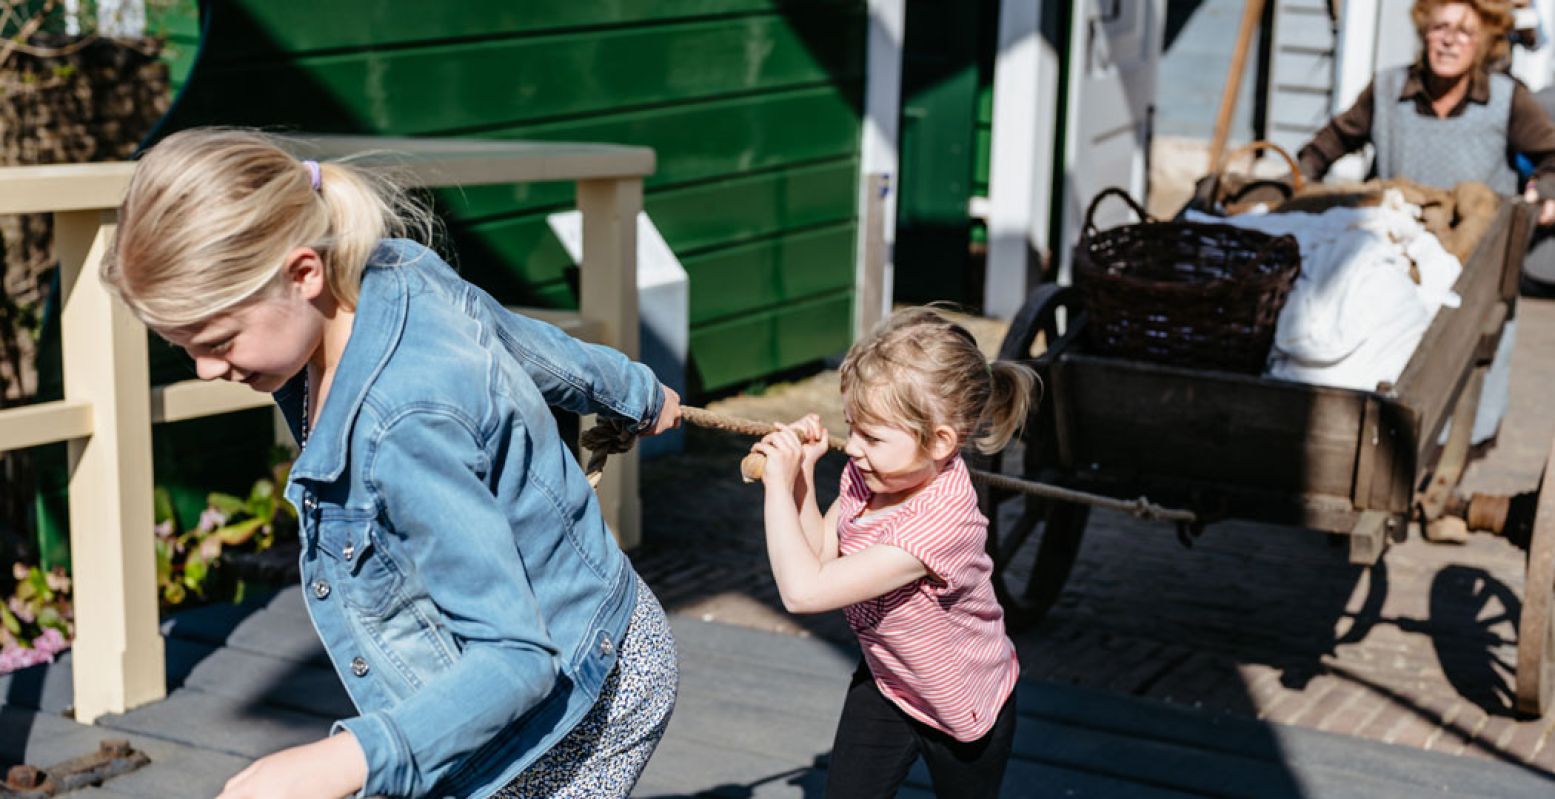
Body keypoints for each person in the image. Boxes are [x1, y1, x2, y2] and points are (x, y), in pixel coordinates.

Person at [101, 128, 681, 799]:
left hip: (582, 696)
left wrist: (346, 758)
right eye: (185, 350)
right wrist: (633, 391)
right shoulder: (391, 273)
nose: (206, 369)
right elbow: (524, 345)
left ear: (302, 273)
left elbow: (518, 656)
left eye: (218, 340)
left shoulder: (402, 425)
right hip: (593, 627)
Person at [750, 307, 1032, 798]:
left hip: (963, 704)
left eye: (873, 436)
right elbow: (820, 557)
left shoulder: (940, 525)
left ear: (941, 442)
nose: (854, 448)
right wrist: (799, 481)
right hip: (890, 681)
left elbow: (802, 592)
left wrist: (775, 485)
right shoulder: (872, 474)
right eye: (852, 428)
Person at [1297, 0, 1555, 223]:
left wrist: (1544, 192)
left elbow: (1551, 156)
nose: (1449, 41)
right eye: (1439, 27)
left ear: (1482, 43)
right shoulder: (1388, 88)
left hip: (1476, 252)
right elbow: (1330, 144)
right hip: (1396, 237)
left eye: (1465, 32)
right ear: (1424, 33)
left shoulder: (1506, 98)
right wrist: (1298, 180)